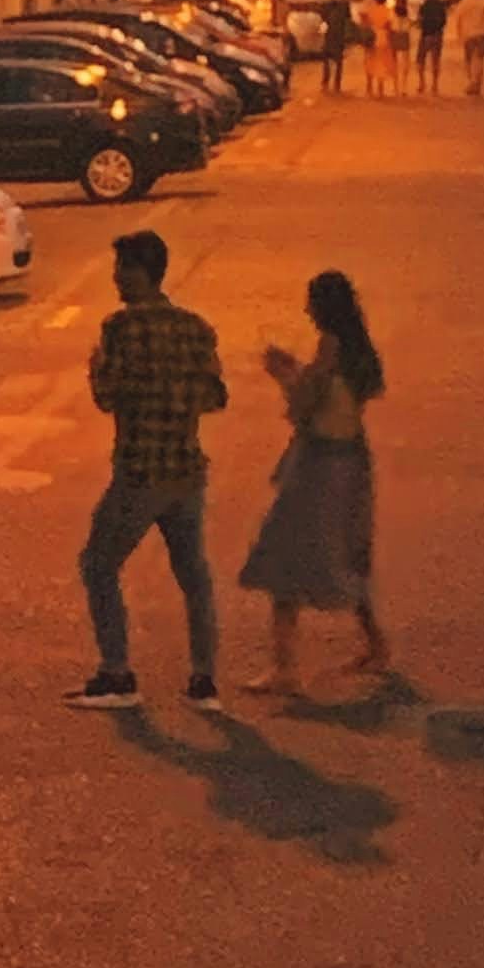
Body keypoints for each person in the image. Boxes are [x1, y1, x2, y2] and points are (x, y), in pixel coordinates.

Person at [70, 230, 228, 710]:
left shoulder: (121, 328)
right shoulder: (197, 328)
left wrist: (96, 367)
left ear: (140, 272)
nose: (116, 279)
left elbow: (107, 396)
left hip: (140, 469)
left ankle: (117, 674)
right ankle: (204, 681)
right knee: (193, 574)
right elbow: (216, 396)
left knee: (98, 565)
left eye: (121, 269)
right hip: (186, 468)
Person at [241, 271, 390, 694]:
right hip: (353, 460)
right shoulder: (362, 350)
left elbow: (307, 404)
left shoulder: (330, 346)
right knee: (347, 553)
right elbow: (341, 397)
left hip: (320, 465)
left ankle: (284, 666)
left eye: (311, 303)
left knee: (285, 557)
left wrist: (284, 373)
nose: (306, 310)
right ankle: (376, 644)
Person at [361, 0, 399, 98]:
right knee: (382, 63)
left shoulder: (370, 10)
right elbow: (390, 26)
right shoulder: (388, 11)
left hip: (371, 37)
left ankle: (369, 87)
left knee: (369, 61)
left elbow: (364, 23)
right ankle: (380, 89)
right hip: (383, 37)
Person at [413, 0, 449, 95]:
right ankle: (435, 85)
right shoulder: (440, 5)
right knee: (435, 61)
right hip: (438, 35)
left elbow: (419, 20)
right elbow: (444, 20)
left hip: (426, 35)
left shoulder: (424, 5)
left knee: (420, 60)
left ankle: (422, 83)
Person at [318, 0, 356, 93]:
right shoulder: (344, 5)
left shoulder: (326, 4)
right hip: (339, 35)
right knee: (338, 61)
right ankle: (336, 84)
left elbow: (322, 18)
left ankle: (325, 83)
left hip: (329, 35)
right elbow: (348, 19)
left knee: (327, 60)